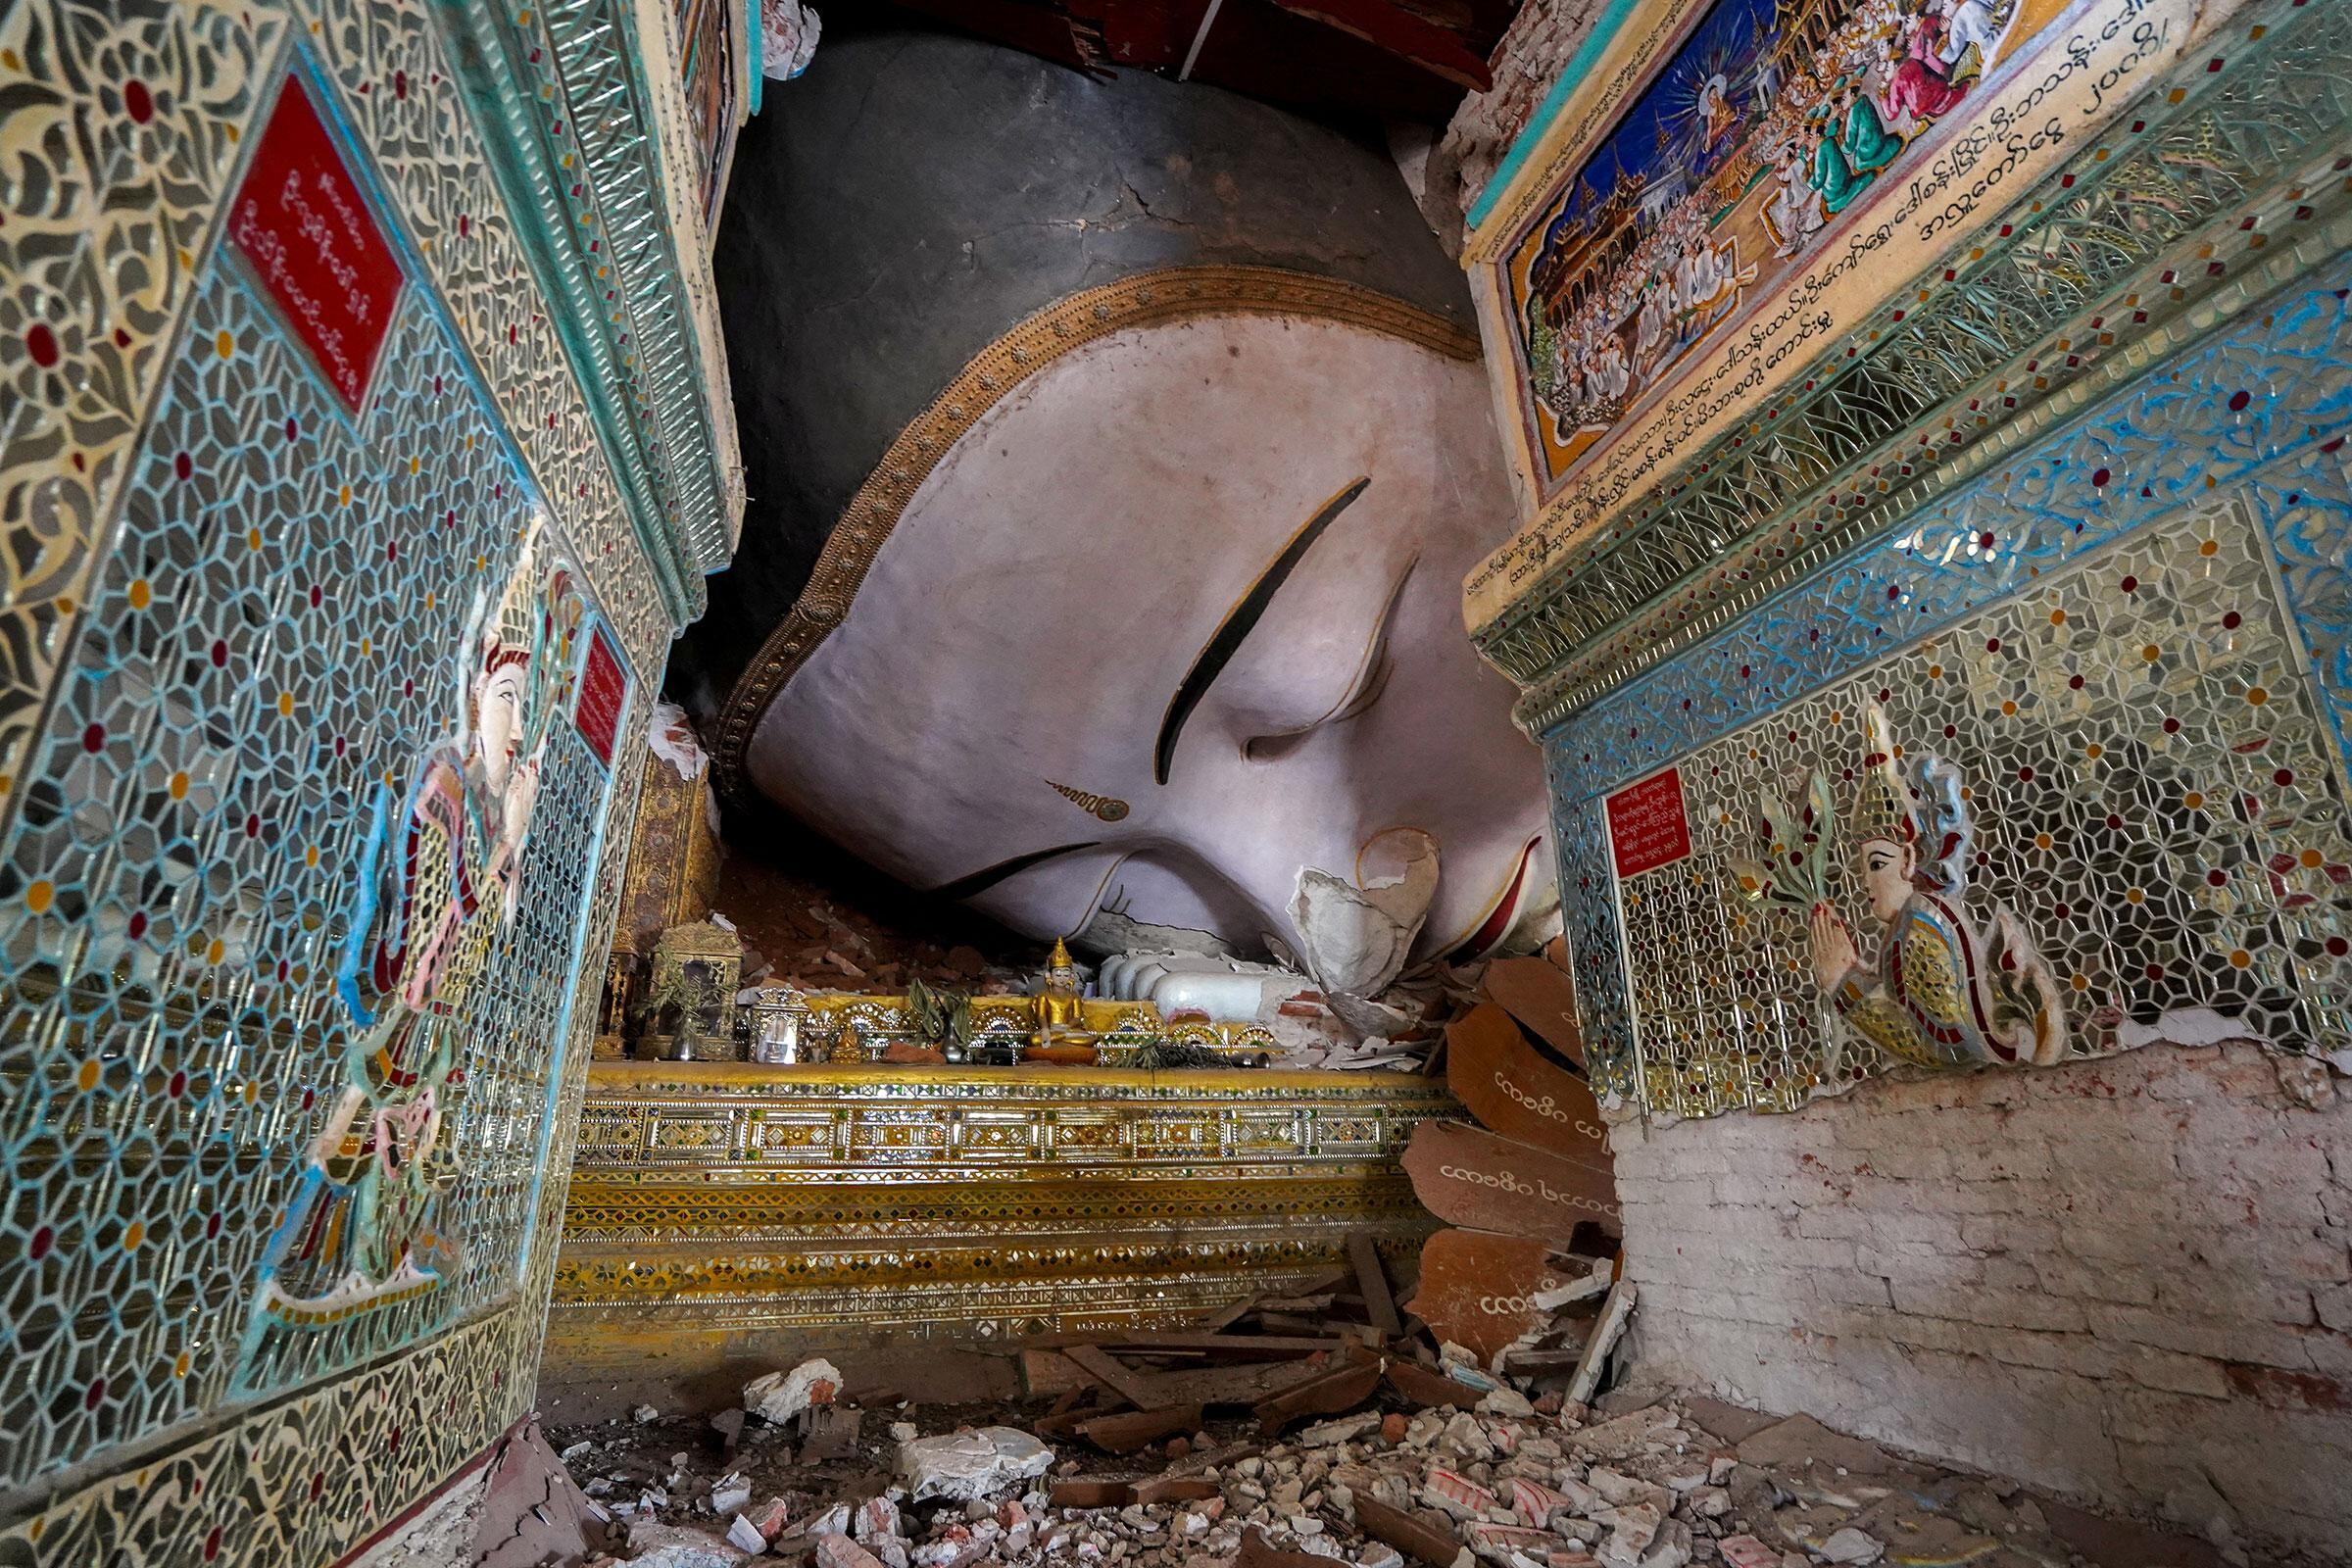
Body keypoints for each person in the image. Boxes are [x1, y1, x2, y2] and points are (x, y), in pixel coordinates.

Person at [1805, 706, 2068, 1068]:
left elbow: (1952, 1049)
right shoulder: (1911, 923)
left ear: (1909, 860)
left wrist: (1844, 985)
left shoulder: (1920, 929)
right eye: (1862, 867)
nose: (1866, 881)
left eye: (1878, 863)